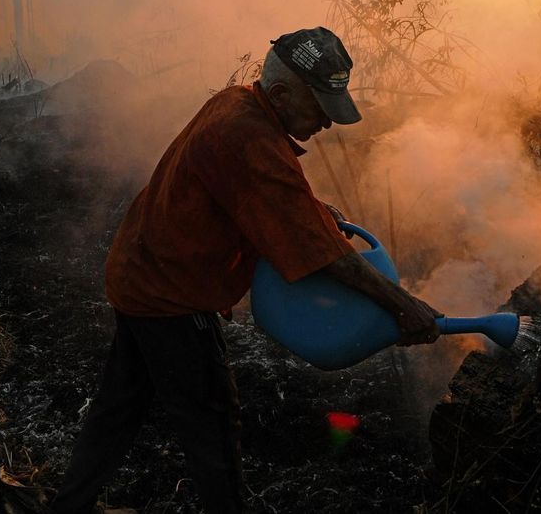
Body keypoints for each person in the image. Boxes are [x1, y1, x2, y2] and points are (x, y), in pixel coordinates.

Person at [49, 27, 441, 514]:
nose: (326, 122)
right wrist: (404, 305)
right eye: (319, 106)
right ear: (280, 93)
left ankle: (67, 505)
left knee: (119, 409)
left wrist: (314, 209)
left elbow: (266, 196)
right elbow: (326, 255)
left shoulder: (239, 105)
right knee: (213, 421)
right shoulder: (248, 137)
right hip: (171, 295)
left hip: (140, 271)